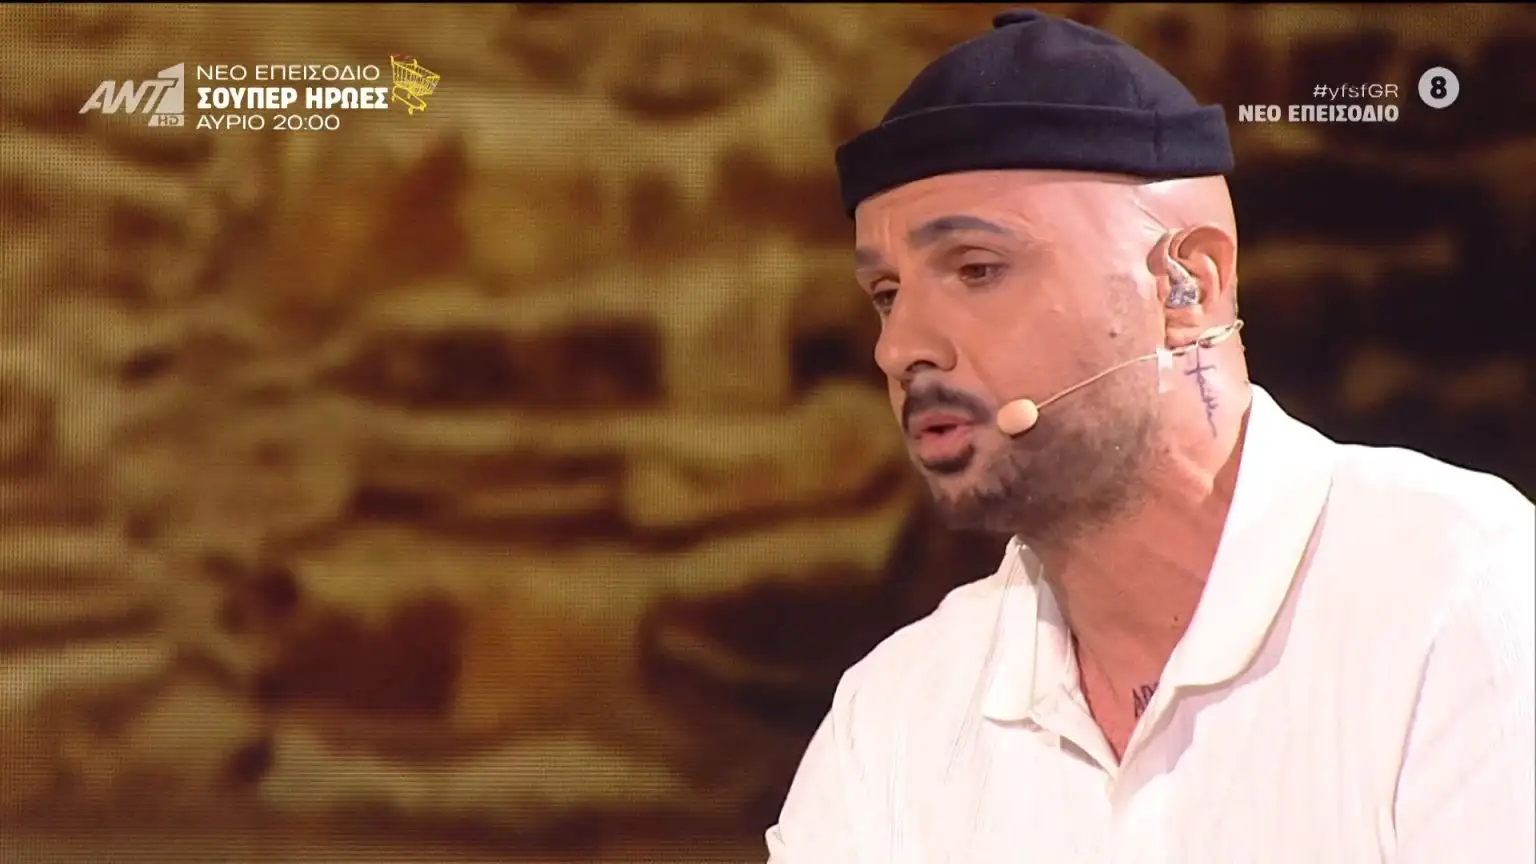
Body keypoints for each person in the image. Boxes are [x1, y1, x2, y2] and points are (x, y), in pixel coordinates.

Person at [765, 9, 1534, 863]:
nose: (900, 348)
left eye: (977, 269)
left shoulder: (1457, 597)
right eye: (886, 294)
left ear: (1186, 286)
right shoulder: (895, 716)